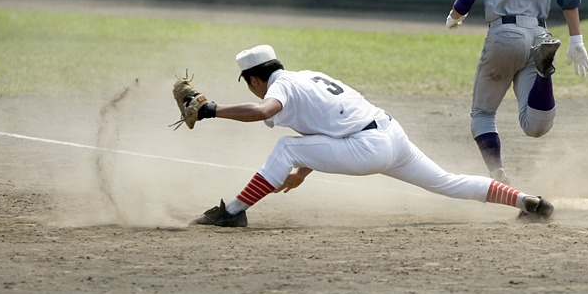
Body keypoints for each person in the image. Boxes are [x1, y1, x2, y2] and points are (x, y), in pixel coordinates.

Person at [182, 44, 554, 227]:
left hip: (367, 146)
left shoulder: (281, 89)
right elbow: (332, 124)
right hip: (391, 135)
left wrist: (212, 110)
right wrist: (304, 169)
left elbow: (263, 112)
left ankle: (231, 213)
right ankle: (524, 201)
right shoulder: (307, 77)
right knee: (448, 182)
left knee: (285, 147)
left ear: (255, 79)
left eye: (248, 84)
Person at [446, 0, 588, 184]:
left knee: (483, 113)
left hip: (505, 33)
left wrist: (454, 17)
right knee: (535, 127)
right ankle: (543, 71)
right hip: (540, 34)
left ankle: (498, 175)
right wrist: (577, 41)